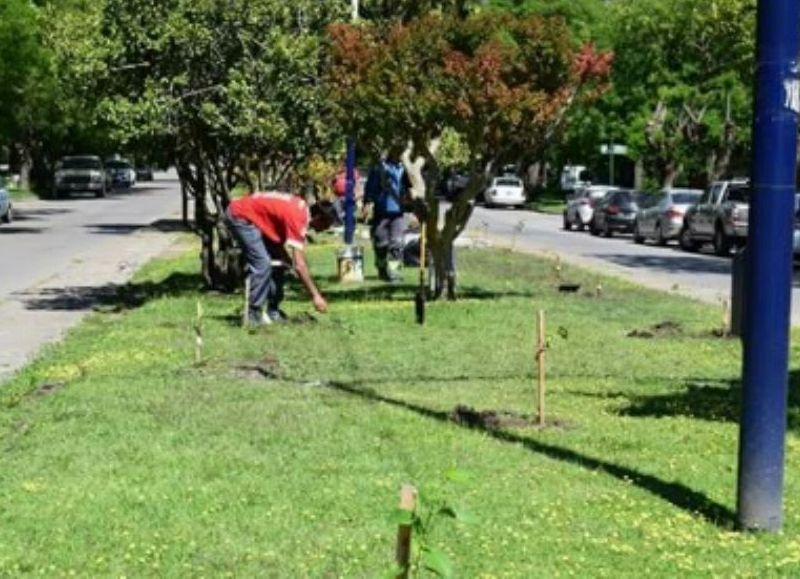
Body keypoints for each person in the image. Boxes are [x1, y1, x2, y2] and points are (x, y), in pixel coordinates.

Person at [225, 191, 334, 325]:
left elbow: (277, 241)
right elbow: (300, 265)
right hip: (240, 216)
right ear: (318, 218)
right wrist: (315, 296)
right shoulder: (298, 218)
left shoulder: (300, 209)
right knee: (262, 263)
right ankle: (253, 314)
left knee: (280, 262)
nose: (324, 230)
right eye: (326, 225)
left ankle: (273, 311)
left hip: (252, 216)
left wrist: (287, 260)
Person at [363, 147, 410, 282]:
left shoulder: (405, 168)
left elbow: (410, 187)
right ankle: (382, 270)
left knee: (397, 244)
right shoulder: (380, 167)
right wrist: (367, 203)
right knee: (381, 244)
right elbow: (370, 187)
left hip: (398, 213)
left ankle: (395, 272)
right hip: (381, 211)